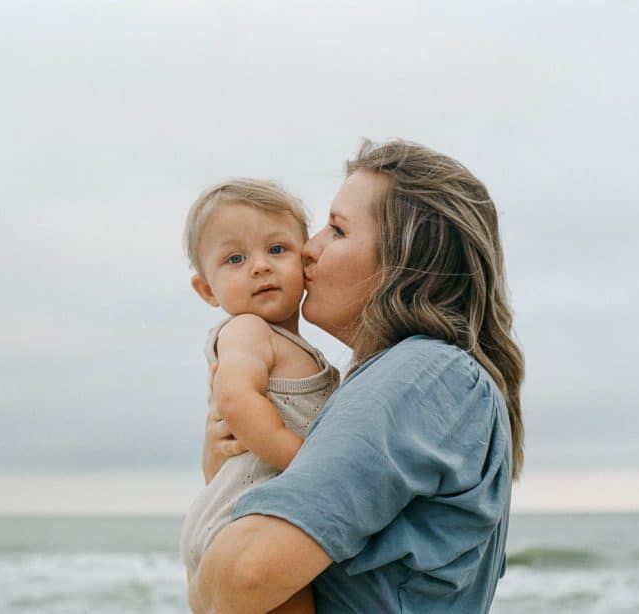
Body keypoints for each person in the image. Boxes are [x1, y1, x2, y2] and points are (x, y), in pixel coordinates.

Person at [189, 140, 525, 613]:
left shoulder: (426, 374)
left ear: (403, 261)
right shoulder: (430, 380)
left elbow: (244, 576)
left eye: (337, 230)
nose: (309, 249)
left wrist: (205, 578)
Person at [179, 179, 340, 614]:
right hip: (241, 518)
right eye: (235, 258)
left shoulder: (295, 348)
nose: (260, 267)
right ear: (207, 290)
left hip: (255, 512)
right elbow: (236, 402)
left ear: (305, 259)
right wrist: (307, 465)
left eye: (277, 249)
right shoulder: (246, 331)